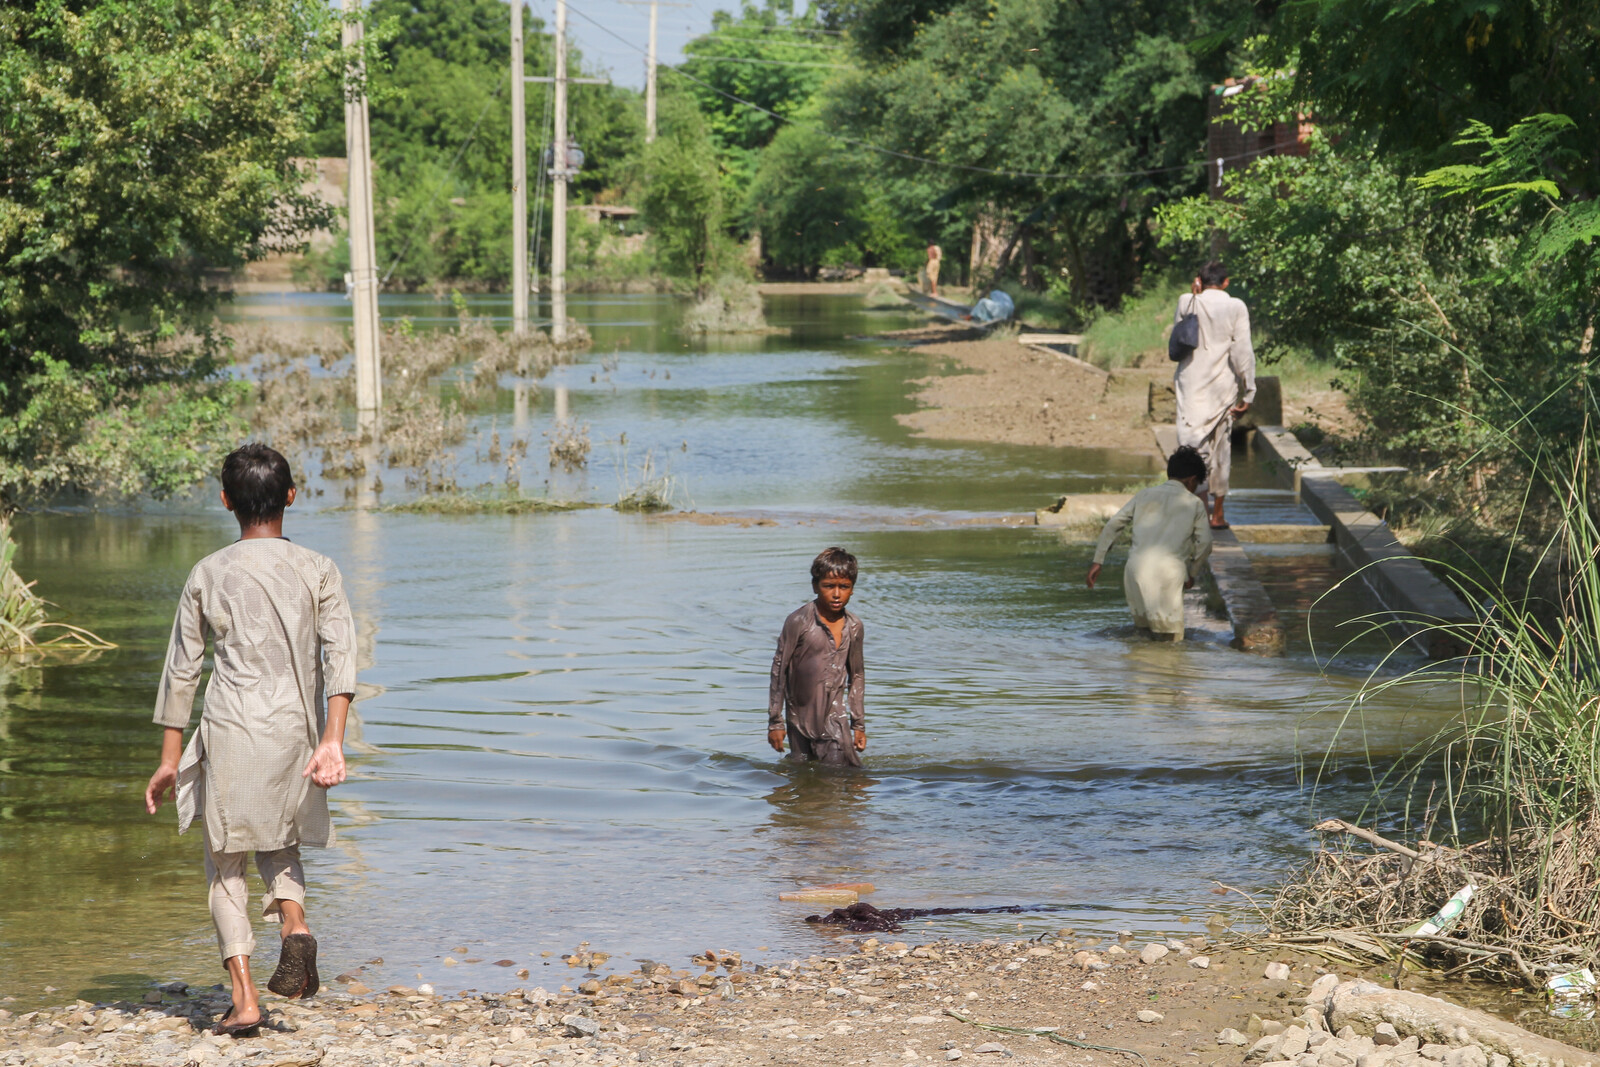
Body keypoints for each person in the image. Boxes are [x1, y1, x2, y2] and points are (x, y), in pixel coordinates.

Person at [145, 443, 356, 1037]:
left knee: (225, 863)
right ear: (291, 496)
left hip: (232, 727)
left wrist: (168, 759)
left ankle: (244, 1001)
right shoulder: (319, 569)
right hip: (297, 731)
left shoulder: (208, 573)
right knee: (280, 843)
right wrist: (332, 740)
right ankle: (295, 928)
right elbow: (341, 658)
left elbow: (181, 671)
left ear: (225, 502)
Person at [1086, 446, 1214, 641]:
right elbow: (1205, 543)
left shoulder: (1144, 495)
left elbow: (1113, 525)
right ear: (1191, 480)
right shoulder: (1194, 503)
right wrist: (1192, 573)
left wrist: (1098, 561)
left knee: (1143, 636)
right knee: (1170, 641)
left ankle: (1140, 669)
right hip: (1168, 574)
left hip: (1135, 571)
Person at [1173, 260, 1255, 529]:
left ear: (1198, 280)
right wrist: (1249, 391)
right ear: (1226, 282)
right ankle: (1217, 516)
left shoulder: (1186, 301)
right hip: (1223, 389)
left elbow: (1182, 336)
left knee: (1192, 450)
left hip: (1192, 388)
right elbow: (1243, 352)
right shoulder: (1236, 307)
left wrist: (1194, 297)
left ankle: (1197, 514)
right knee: (1221, 452)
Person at [768, 547, 866, 766]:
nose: (837, 594)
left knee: (841, 770)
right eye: (829, 586)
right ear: (815, 586)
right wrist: (775, 722)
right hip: (797, 718)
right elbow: (779, 670)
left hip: (834, 718)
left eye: (844, 587)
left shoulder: (854, 627)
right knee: (801, 770)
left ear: (852, 589)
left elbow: (857, 675)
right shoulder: (798, 622)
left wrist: (858, 724)